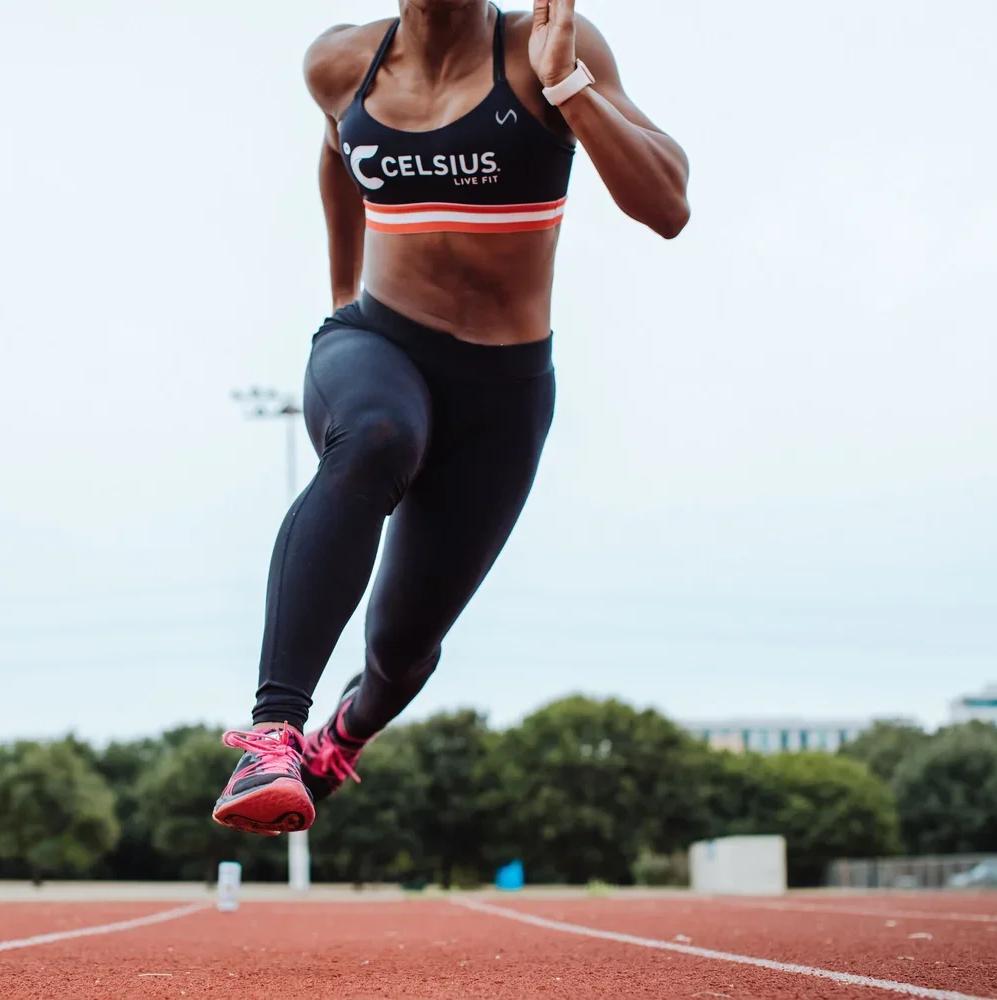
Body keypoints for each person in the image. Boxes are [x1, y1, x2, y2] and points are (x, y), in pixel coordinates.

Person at [213, 0, 689, 835]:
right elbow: (337, 152)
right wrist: (339, 295)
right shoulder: (339, 64)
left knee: (400, 651)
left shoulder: (541, 52)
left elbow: (669, 205)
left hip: (501, 395)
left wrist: (568, 88)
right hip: (375, 346)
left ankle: (341, 737)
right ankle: (272, 735)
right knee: (376, 439)